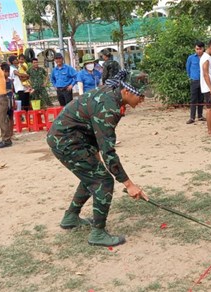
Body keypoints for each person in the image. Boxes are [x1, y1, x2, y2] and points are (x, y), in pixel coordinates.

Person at [47, 69, 149, 247]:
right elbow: (108, 151)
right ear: (126, 91)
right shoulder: (108, 107)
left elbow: (94, 132)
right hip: (66, 142)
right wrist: (129, 184)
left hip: (73, 139)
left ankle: (71, 217)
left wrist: (95, 155)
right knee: (103, 180)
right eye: (140, 95)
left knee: (93, 175)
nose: (142, 100)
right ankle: (98, 233)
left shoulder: (113, 96)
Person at [186, 42, 206, 124]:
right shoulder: (191, 58)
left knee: (201, 99)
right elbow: (188, 68)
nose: (198, 51)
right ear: (195, 49)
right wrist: (191, 77)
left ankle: (200, 116)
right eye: (197, 49)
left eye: (200, 49)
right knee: (193, 99)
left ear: (203, 49)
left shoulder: (206, 57)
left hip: (203, 81)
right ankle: (192, 117)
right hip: (194, 81)